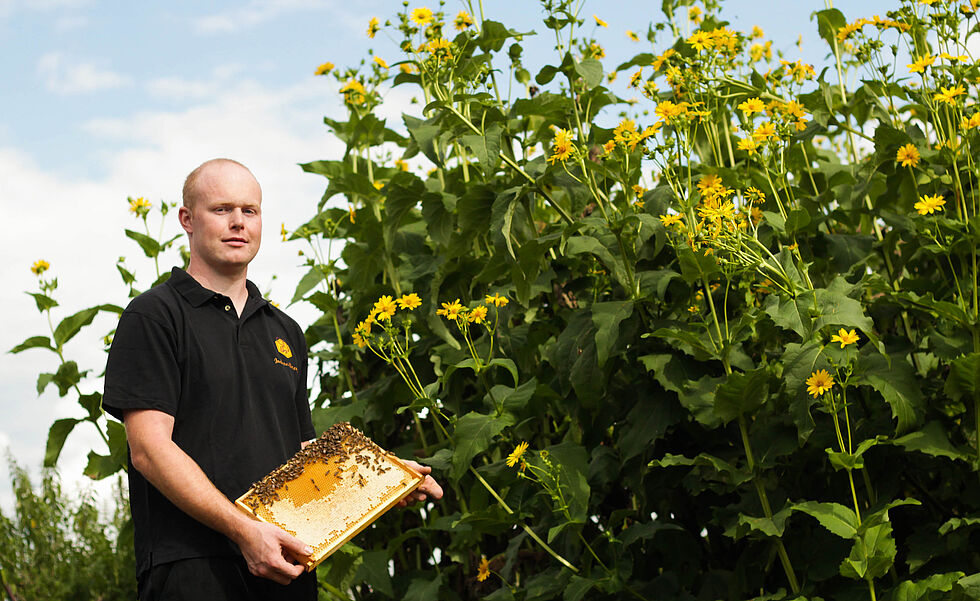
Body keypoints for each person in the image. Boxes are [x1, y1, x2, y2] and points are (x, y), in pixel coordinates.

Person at [103, 158, 442, 601]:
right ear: (187, 219)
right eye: (221, 209)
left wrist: (381, 481)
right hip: (192, 568)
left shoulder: (285, 331)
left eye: (250, 210)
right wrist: (245, 531)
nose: (238, 223)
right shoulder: (155, 315)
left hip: (284, 564)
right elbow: (149, 449)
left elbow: (302, 454)